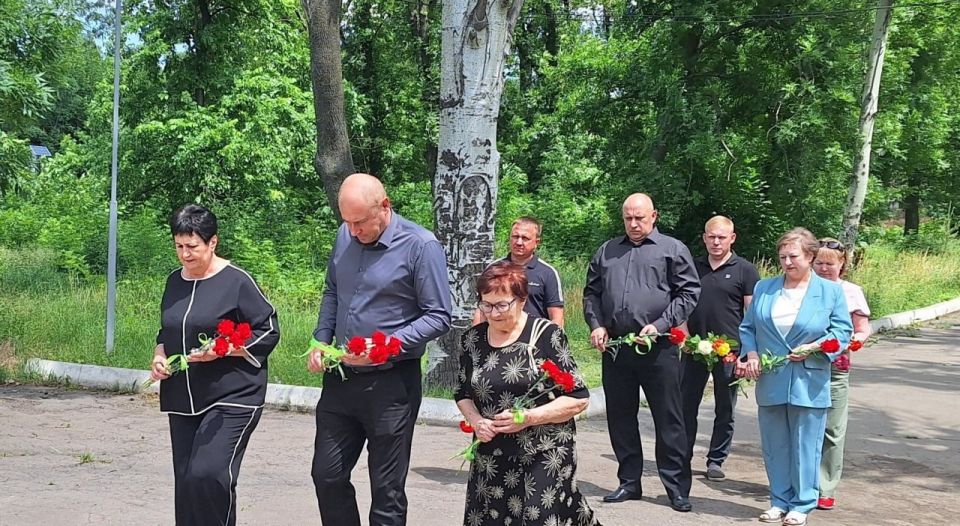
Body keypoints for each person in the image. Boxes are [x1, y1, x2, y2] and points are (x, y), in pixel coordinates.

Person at [306, 173, 452, 526]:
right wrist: (321, 339)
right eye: (347, 222)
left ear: (384, 206)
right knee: (326, 475)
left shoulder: (421, 245)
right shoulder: (345, 235)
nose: (353, 231)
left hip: (391, 384)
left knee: (386, 489)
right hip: (341, 379)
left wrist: (388, 344)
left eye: (360, 222)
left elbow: (439, 316)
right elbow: (332, 291)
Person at [149, 204, 280, 526]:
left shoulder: (237, 281)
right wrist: (159, 356)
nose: (185, 255)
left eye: (192, 247)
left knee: (208, 474)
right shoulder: (174, 281)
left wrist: (224, 350)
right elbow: (167, 330)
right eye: (179, 246)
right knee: (187, 483)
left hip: (233, 396)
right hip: (182, 397)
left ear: (213, 242)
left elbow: (268, 329)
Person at [455, 261, 600, 526]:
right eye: (486, 305)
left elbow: (578, 398)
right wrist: (476, 421)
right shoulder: (472, 339)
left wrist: (529, 417)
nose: (493, 313)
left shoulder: (546, 335)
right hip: (492, 455)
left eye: (501, 305)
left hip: (543, 451)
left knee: (538, 518)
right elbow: (463, 393)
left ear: (521, 300)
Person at [583, 193, 701, 512]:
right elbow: (592, 293)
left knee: (669, 418)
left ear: (654, 216)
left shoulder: (672, 249)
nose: (634, 224)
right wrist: (596, 325)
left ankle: (676, 488)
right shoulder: (607, 251)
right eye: (628, 218)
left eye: (640, 218)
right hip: (617, 349)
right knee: (621, 416)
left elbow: (689, 293)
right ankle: (629, 481)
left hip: (658, 348)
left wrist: (661, 323)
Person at [737, 227, 853, 526]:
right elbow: (748, 327)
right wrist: (751, 355)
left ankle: (802, 503)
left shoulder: (830, 291)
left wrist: (815, 347)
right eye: (782, 257)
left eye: (794, 256)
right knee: (775, 444)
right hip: (772, 377)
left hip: (809, 379)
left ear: (810, 256)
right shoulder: (765, 287)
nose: (787, 262)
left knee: (806, 445)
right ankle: (778, 500)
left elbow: (842, 332)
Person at [681, 215, 760, 481]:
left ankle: (716, 459)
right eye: (711, 237)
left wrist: (748, 352)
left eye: (721, 237)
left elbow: (752, 315)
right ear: (704, 238)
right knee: (685, 405)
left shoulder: (745, 270)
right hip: (694, 349)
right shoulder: (692, 267)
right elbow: (680, 303)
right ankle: (682, 456)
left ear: (732, 238)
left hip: (729, 352)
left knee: (725, 407)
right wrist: (684, 336)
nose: (716, 242)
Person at [812, 237, 872, 511]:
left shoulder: (851, 292)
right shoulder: (802, 288)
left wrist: (857, 339)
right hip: (802, 365)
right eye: (819, 263)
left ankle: (825, 486)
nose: (824, 268)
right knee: (802, 427)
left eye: (830, 264)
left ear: (842, 264)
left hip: (836, 367)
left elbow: (862, 328)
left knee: (832, 429)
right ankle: (802, 482)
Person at [472, 217, 565, 327]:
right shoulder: (494, 268)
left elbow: (557, 318)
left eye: (525, 238)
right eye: (515, 237)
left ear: (537, 242)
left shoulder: (547, 273)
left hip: (533, 336)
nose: (519, 242)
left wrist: (551, 336)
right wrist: (476, 334)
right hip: (497, 334)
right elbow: (481, 309)